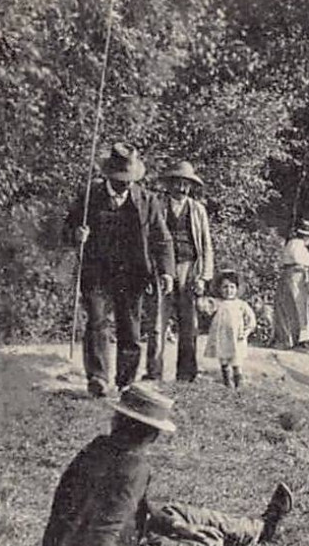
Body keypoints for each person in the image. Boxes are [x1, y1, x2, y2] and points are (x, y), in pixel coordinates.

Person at [39, 383, 294, 546]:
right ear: (153, 434)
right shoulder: (133, 468)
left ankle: (257, 528)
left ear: (116, 421)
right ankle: (231, 540)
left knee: (175, 513)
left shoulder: (97, 448)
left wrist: (178, 526)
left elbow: (135, 510)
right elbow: (106, 529)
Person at [63, 142, 175, 397]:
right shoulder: (89, 197)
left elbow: (162, 238)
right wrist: (76, 235)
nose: (124, 184)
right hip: (97, 272)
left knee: (130, 329)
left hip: (132, 273)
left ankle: (125, 381)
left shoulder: (147, 200)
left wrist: (167, 271)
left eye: (128, 179)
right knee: (96, 323)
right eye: (119, 180)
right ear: (109, 176)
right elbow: (66, 229)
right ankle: (98, 378)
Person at [146, 160, 213, 382]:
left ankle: (186, 374)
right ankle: (154, 372)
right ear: (169, 184)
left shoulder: (197, 210)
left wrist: (203, 277)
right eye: (177, 183)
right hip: (162, 267)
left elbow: (205, 245)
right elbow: (148, 239)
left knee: (189, 323)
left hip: (189, 267)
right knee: (158, 322)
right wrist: (149, 269)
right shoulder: (157, 205)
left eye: (186, 184)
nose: (182, 189)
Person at [204, 271, 256, 388]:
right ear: (220, 289)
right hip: (221, 335)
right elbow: (206, 309)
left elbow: (251, 319)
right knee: (223, 357)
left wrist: (246, 332)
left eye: (232, 287)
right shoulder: (217, 303)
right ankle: (227, 380)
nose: (229, 290)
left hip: (236, 336)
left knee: (236, 359)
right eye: (225, 287)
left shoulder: (241, 304)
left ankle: (239, 381)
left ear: (237, 289)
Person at [273, 219, 309, 349]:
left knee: (296, 306)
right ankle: (294, 338)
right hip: (295, 276)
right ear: (305, 236)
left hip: (297, 277)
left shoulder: (297, 245)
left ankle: (296, 338)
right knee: (295, 306)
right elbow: (300, 261)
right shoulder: (296, 245)